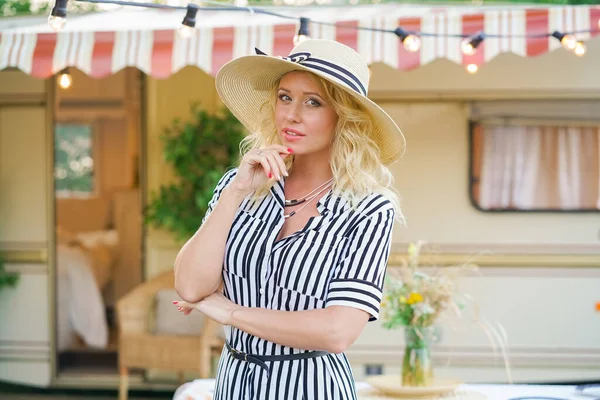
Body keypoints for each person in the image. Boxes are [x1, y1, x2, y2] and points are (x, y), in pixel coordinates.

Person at [172, 39, 406, 400]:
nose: (291, 115)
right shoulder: (241, 187)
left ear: (344, 116)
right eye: (285, 97)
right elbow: (189, 287)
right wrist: (235, 190)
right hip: (234, 387)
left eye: (313, 102)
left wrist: (231, 312)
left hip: (313, 388)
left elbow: (337, 330)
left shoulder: (369, 209)